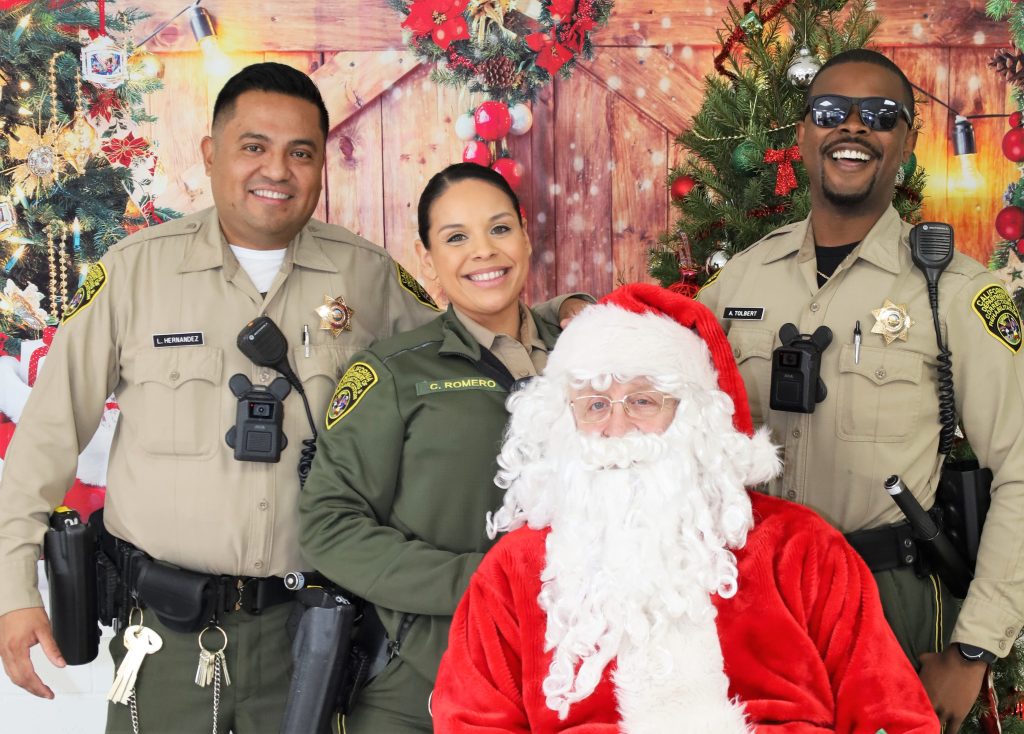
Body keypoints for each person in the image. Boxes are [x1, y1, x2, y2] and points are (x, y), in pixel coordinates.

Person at [0, 65, 583, 733]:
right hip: (164, 640)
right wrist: (13, 588)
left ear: (321, 167)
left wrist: (565, 318)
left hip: (313, 641)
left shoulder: (365, 276)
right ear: (211, 154)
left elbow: (469, 336)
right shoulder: (135, 274)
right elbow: (45, 435)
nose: (276, 169)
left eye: (300, 152)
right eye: (253, 146)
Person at [432, 283, 939, 733]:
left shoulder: (799, 547)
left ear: (693, 416)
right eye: (595, 404)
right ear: (565, 421)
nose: (617, 427)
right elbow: (471, 720)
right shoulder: (515, 570)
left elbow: (891, 713)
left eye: (643, 401)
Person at [696, 48, 1024, 732]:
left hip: (889, 603)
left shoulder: (958, 294)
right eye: (828, 112)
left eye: (878, 115)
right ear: (804, 135)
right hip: (749, 597)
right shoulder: (739, 283)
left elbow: (1021, 471)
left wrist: (972, 649)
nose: (852, 128)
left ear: (906, 139)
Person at [299, 162, 571, 734]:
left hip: (568, 675)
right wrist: (482, 582)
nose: (483, 252)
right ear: (427, 260)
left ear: (525, 236)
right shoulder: (392, 374)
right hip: (426, 682)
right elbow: (328, 525)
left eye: (499, 229)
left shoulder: (589, 360)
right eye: (455, 237)